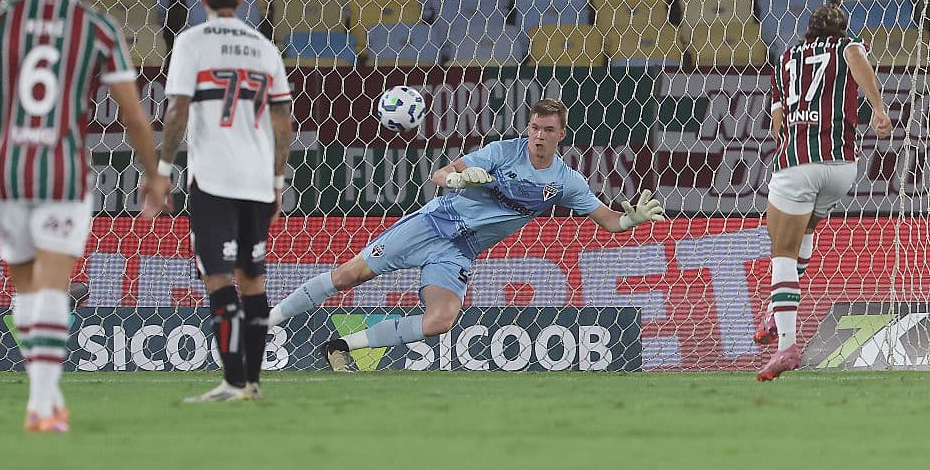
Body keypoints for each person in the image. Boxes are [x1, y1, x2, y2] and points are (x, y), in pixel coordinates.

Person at [0, 0, 171, 432]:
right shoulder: (96, 26)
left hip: (6, 170)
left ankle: (42, 400)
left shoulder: (0, 17)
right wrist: (153, 173)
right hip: (63, 170)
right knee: (54, 281)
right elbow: (134, 115)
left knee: (27, 288)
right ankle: (42, 405)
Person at [269, 98, 664, 371]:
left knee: (440, 320)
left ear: (561, 135)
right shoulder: (500, 151)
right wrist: (459, 178)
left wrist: (630, 221)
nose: (538, 135)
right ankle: (268, 320)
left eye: (547, 130)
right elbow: (441, 174)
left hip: (460, 250)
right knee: (347, 276)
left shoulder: (566, 182)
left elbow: (608, 220)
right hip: (432, 225)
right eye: (533, 127)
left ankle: (342, 346)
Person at [160, 0, 292, 402]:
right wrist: (276, 179)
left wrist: (162, 169)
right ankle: (251, 382)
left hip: (214, 178)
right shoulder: (264, 47)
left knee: (218, 277)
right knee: (253, 280)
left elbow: (177, 109)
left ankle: (234, 380)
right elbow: (282, 119)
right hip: (257, 180)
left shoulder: (191, 42)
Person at [755, 4, 892, 381]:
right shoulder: (845, 46)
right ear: (841, 30)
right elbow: (855, 55)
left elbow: (778, 121)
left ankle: (785, 345)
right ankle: (776, 304)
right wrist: (878, 108)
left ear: (808, 31)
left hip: (798, 161)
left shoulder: (785, 60)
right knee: (808, 229)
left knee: (781, 250)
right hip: (841, 167)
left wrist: (794, 137)